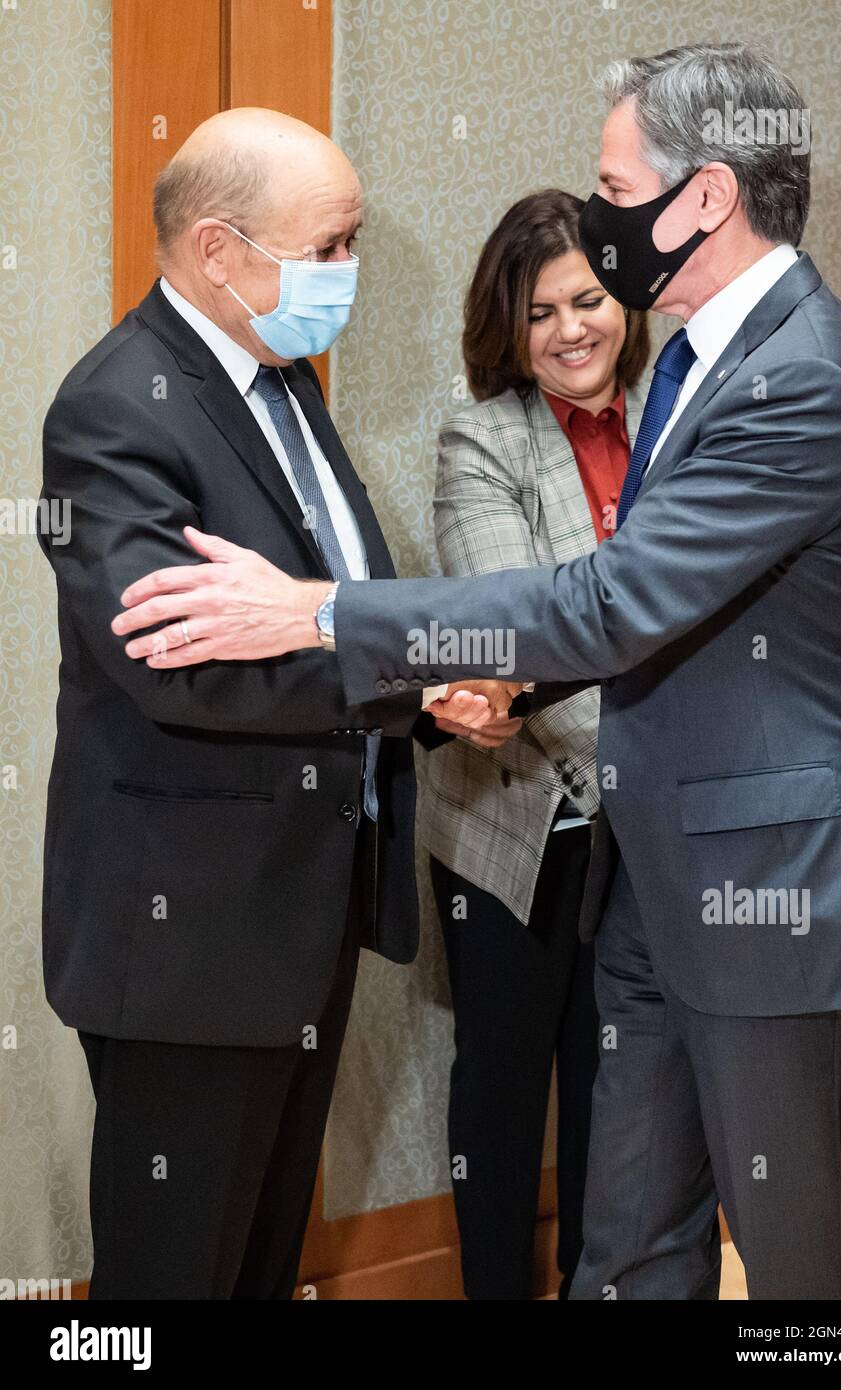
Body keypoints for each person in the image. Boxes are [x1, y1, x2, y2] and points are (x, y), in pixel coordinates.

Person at [112, 44, 841, 1300]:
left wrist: (322, 612)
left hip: (777, 887)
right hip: (655, 882)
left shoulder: (803, 374)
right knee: (628, 1244)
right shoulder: (704, 356)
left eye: (614, 184)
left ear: (702, 197)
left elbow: (611, 603)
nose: (599, 225)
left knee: (796, 1259)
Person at [38, 106, 503, 1300]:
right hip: (188, 934)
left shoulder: (276, 382)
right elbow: (180, 659)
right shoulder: (116, 411)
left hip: (293, 911)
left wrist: (420, 678)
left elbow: (327, 598)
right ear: (217, 250)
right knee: (172, 1274)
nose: (347, 275)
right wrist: (405, 675)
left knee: (256, 1255)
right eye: (331, 246)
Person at [420, 188, 649, 1299]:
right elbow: (518, 623)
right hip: (516, 821)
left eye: (590, 299)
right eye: (541, 310)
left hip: (645, 828)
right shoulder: (481, 435)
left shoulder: (676, 415)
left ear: (626, 301)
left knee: (621, 1088)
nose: (570, 329)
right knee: (503, 1094)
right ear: (508, 326)